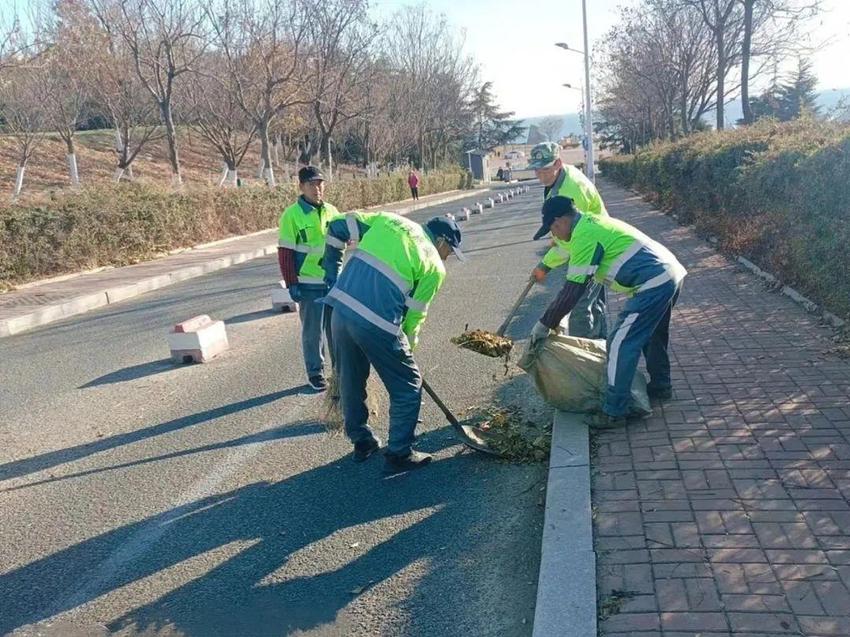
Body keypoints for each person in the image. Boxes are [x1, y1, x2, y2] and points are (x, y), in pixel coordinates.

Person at [321, 212, 466, 474]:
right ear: (442, 241)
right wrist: (408, 351)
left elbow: (337, 226)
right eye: (449, 250)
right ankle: (400, 452)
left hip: (339, 309)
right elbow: (414, 317)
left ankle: (362, 442)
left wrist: (332, 274)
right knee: (408, 385)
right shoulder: (434, 265)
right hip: (376, 322)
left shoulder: (389, 221)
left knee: (350, 379)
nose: (448, 256)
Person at [529, 196, 687, 428]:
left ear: (561, 221)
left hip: (652, 282)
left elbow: (573, 289)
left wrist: (544, 324)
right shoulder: (587, 224)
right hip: (669, 273)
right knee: (653, 335)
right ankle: (661, 387)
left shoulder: (585, 236)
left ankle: (614, 411)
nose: (554, 236)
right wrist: (543, 266)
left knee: (620, 343)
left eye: (553, 229)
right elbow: (563, 250)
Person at [527, 141, 608, 339]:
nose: (541, 175)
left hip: (593, 248)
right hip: (591, 242)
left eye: (546, 169)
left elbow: (571, 243)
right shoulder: (559, 178)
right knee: (594, 303)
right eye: (537, 170)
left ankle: (583, 359)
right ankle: (600, 351)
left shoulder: (571, 192)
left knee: (579, 304)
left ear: (558, 163)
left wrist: (544, 266)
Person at [278, 166, 339, 391]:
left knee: (336, 331)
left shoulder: (332, 211)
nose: (317, 188)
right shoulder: (291, 215)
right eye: (312, 184)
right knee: (313, 333)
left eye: (320, 183)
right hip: (308, 284)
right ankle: (315, 372)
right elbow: (285, 252)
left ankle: (340, 370)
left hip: (333, 282)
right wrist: (291, 282)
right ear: (301, 186)